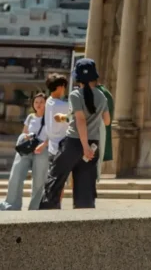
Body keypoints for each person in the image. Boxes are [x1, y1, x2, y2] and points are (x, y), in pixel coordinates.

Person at [39, 58, 110, 209]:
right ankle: (84, 221)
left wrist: (83, 146)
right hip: (93, 144)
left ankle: (46, 215)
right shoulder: (102, 96)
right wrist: (89, 145)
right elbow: (107, 121)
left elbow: (80, 121)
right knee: (85, 186)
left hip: (74, 143)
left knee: (55, 179)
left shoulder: (75, 95)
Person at [0, 93, 49, 211]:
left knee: (39, 180)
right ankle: (11, 204)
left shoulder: (50, 118)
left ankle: (35, 207)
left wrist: (43, 145)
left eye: (42, 102)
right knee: (16, 175)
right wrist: (26, 136)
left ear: (46, 103)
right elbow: (24, 132)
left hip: (41, 149)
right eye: (36, 102)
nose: (38, 104)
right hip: (27, 148)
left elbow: (53, 135)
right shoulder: (30, 117)